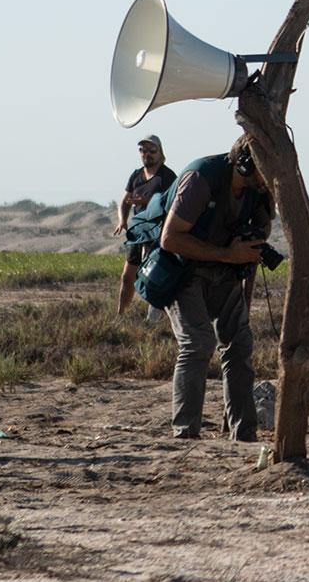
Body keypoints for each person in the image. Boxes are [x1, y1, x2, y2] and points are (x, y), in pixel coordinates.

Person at [159, 133, 273, 441]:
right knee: (198, 344)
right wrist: (228, 253)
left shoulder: (258, 189)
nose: (270, 177)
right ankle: (185, 434)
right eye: (266, 169)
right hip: (184, 269)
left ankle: (244, 434)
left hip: (226, 269)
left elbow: (265, 224)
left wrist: (253, 240)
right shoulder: (201, 179)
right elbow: (170, 239)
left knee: (239, 346)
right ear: (247, 165)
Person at [113, 135, 175, 316]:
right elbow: (124, 201)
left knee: (154, 277)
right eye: (143, 150)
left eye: (152, 151)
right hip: (138, 232)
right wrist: (122, 220)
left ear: (160, 153)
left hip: (157, 233)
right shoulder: (136, 175)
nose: (147, 154)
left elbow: (171, 205)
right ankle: (121, 314)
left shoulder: (167, 176)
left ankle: (154, 320)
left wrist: (148, 202)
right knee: (127, 276)